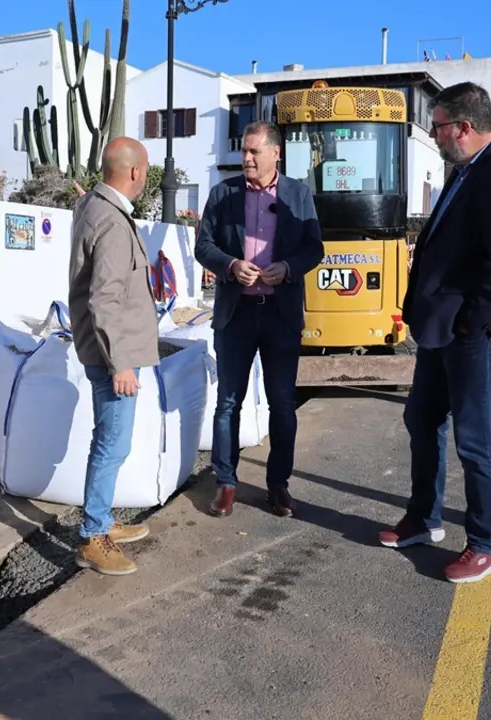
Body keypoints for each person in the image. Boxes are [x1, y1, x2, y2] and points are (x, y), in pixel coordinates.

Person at [377, 81, 491, 584]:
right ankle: (424, 518)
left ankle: (487, 544)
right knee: (421, 421)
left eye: (440, 125)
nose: (434, 133)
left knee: (475, 440)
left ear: (465, 128)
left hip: (473, 333)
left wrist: (474, 322)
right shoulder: (466, 171)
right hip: (442, 330)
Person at [195, 121, 324, 518]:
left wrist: (286, 268)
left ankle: (278, 485)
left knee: (283, 404)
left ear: (275, 153)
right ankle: (226, 482)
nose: (246, 159)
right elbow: (203, 245)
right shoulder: (223, 193)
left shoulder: (299, 195)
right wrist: (231, 265)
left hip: (280, 316)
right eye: (244, 152)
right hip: (236, 315)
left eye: (253, 152)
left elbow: (314, 248)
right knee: (228, 402)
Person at [66, 137, 157, 576]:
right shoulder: (114, 222)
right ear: (136, 173)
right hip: (112, 355)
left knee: (107, 441)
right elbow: (105, 299)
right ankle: (92, 536)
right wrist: (120, 362)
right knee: (112, 446)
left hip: (101, 348)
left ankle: (100, 521)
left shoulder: (93, 207)